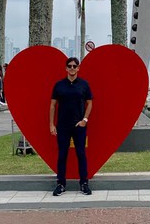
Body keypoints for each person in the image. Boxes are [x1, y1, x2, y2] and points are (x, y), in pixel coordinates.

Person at [49, 57, 93, 196]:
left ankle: (84, 183)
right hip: (62, 126)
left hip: (79, 126)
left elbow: (90, 103)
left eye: (75, 66)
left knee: (81, 154)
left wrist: (84, 120)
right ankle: (61, 184)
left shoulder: (84, 85)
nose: (72, 68)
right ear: (66, 68)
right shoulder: (59, 85)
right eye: (70, 66)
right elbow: (52, 105)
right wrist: (51, 124)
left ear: (78, 68)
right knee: (62, 155)